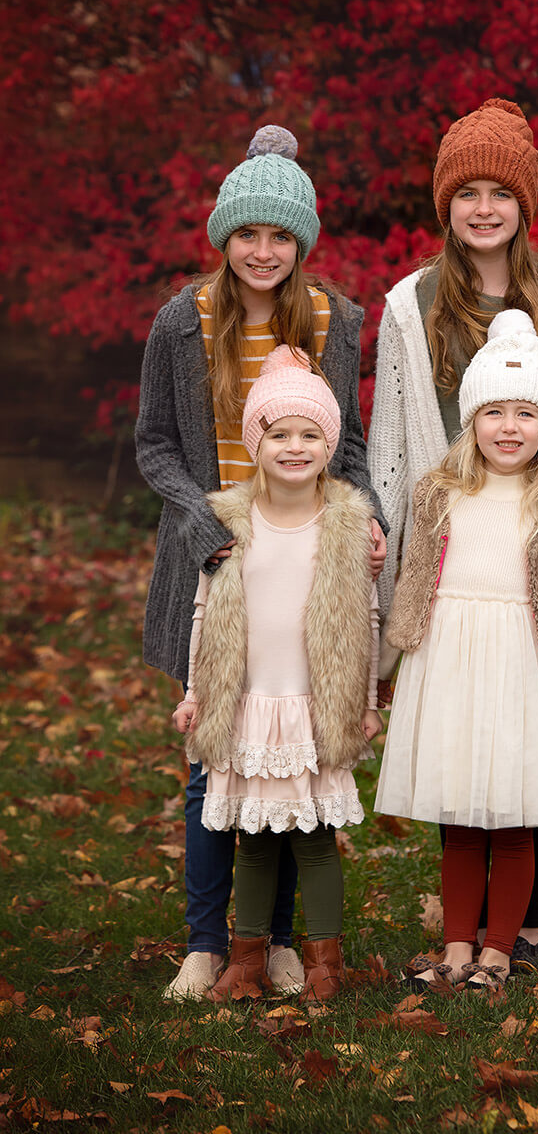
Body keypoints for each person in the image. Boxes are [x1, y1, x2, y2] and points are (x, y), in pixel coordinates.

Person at [367, 98, 538, 973]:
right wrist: (382, 587)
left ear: (524, 205)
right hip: (451, 557)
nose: (483, 209)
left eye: (500, 193)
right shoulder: (409, 307)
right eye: (467, 193)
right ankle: (468, 929)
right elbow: (390, 453)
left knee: (527, 735)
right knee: (461, 732)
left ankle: (523, 926)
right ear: (444, 205)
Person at [135, 124, 387, 1002]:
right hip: (215, 558)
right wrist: (203, 517)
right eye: (248, 233)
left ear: (302, 242)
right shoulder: (183, 321)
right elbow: (156, 445)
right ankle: (208, 943)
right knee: (214, 761)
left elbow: (348, 446)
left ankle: (278, 940)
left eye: (281, 235)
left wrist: (367, 518)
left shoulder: (336, 321)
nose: (264, 251)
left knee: (293, 752)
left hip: (304, 563)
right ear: (224, 236)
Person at [375, 311, 538, 990]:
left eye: (526, 413)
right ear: (471, 420)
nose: (509, 427)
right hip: (448, 665)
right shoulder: (438, 493)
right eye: (494, 412)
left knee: (515, 820)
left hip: (519, 667)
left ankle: (498, 952)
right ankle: (457, 948)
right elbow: (410, 586)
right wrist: (378, 673)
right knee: (460, 821)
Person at [172, 347, 381, 1002]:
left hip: (315, 705)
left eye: (310, 434)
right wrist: (195, 693)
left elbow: (367, 618)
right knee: (254, 840)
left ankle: (324, 966)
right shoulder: (229, 522)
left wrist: (367, 701)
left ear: (330, 443)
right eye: (279, 434)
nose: (295, 447)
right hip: (249, 705)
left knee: (315, 839)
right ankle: (246, 961)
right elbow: (203, 613)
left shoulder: (347, 524)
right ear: (255, 445)